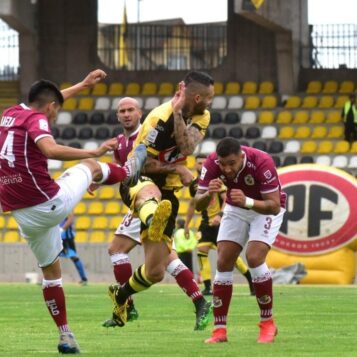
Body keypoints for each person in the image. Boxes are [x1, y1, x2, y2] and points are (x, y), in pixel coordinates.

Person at [0, 70, 146, 354]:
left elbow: (50, 101)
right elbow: (50, 149)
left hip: (22, 214)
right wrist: (94, 153)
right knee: (90, 167)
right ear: (50, 108)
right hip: (49, 203)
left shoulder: (12, 113)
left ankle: (65, 335)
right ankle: (127, 172)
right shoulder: (37, 118)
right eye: (54, 112)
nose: (53, 117)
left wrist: (82, 85)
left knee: (51, 274)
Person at [107, 71, 215, 329]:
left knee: (155, 271)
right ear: (197, 96)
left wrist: (178, 114)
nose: (211, 102)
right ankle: (154, 216)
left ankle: (121, 296)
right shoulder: (157, 119)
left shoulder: (201, 114)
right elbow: (140, 167)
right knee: (149, 198)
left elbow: (187, 148)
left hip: (169, 193)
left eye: (130, 110)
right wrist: (176, 169)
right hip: (137, 182)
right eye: (209, 98)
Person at [194, 137, 286, 344]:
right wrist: (209, 192)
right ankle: (219, 330)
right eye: (222, 164)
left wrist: (247, 201)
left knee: (254, 257)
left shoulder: (261, 161)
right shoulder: (211, 163)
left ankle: (267, 324)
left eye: (231, 164)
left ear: (241, 157)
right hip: (237, 208)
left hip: (264, 209)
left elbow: (274, 205)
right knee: (223, 261)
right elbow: (197, 204)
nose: (226, 169)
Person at [185, 154, 255, 296]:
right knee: (201, 251)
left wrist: (220, 215)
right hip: (205, 224)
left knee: (231, 257)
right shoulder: (194, 185)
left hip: (219, 224)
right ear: (196, 165)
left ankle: (250, 280)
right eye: (199, 163)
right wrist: (186, 225)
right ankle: (207, 287)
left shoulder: (216, 181)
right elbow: (193, 204)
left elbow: (226, 198)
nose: (202, 165)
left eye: (204, 162)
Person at [59, 212, 88, 285]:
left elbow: (70, 218)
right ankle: (47, 278)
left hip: (66, 238)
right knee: (50, 257)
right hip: (58, 237)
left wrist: (62, 229)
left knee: (73, 256)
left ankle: (84, 279)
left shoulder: (65, 204)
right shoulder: (56, 205)